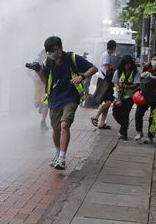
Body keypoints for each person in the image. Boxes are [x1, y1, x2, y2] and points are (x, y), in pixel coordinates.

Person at [31, 36, 97, 170]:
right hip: (54, 99)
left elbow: (94, 68)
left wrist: (82, 76)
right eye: (51, 51)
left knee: (64, 125)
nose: (54, 52)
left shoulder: (72, 57)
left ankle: (62, 157)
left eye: (56, 49)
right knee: (56, 129)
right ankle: (57, 152)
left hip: (71, 98)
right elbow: (45, 82)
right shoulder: (48, 63)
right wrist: (38, 71)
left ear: (61, 47)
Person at [112, 55, 141, 140]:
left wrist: (126, 87)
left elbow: (136, 84)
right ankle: (124, 126)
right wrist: (118, 87)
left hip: (130, 97)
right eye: (125, 64)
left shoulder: (136, 72)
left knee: (125, 113)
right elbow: (115, 82)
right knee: (115, 113)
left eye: (129, 64)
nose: (127, 66)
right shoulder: (118, 72)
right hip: (119, 96)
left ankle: (123, 133)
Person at [91, 40, 117, 130]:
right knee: (108, 101)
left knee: (108, 102)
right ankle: (95, 117)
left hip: (106, 81)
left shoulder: (107, 55)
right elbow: (107, 68)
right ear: (114, 47)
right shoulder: (106, 55)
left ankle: (102, 123)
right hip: (104, 81)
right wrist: (114, 66)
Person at [30, 50, 49, 130]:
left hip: (46, 85)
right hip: (38, 84)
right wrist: (34, 78)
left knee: (46, 103)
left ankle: (43, 121)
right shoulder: (36, 61)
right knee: (36, 104)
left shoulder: (49, 62)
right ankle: (40, 104)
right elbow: (28, 71)